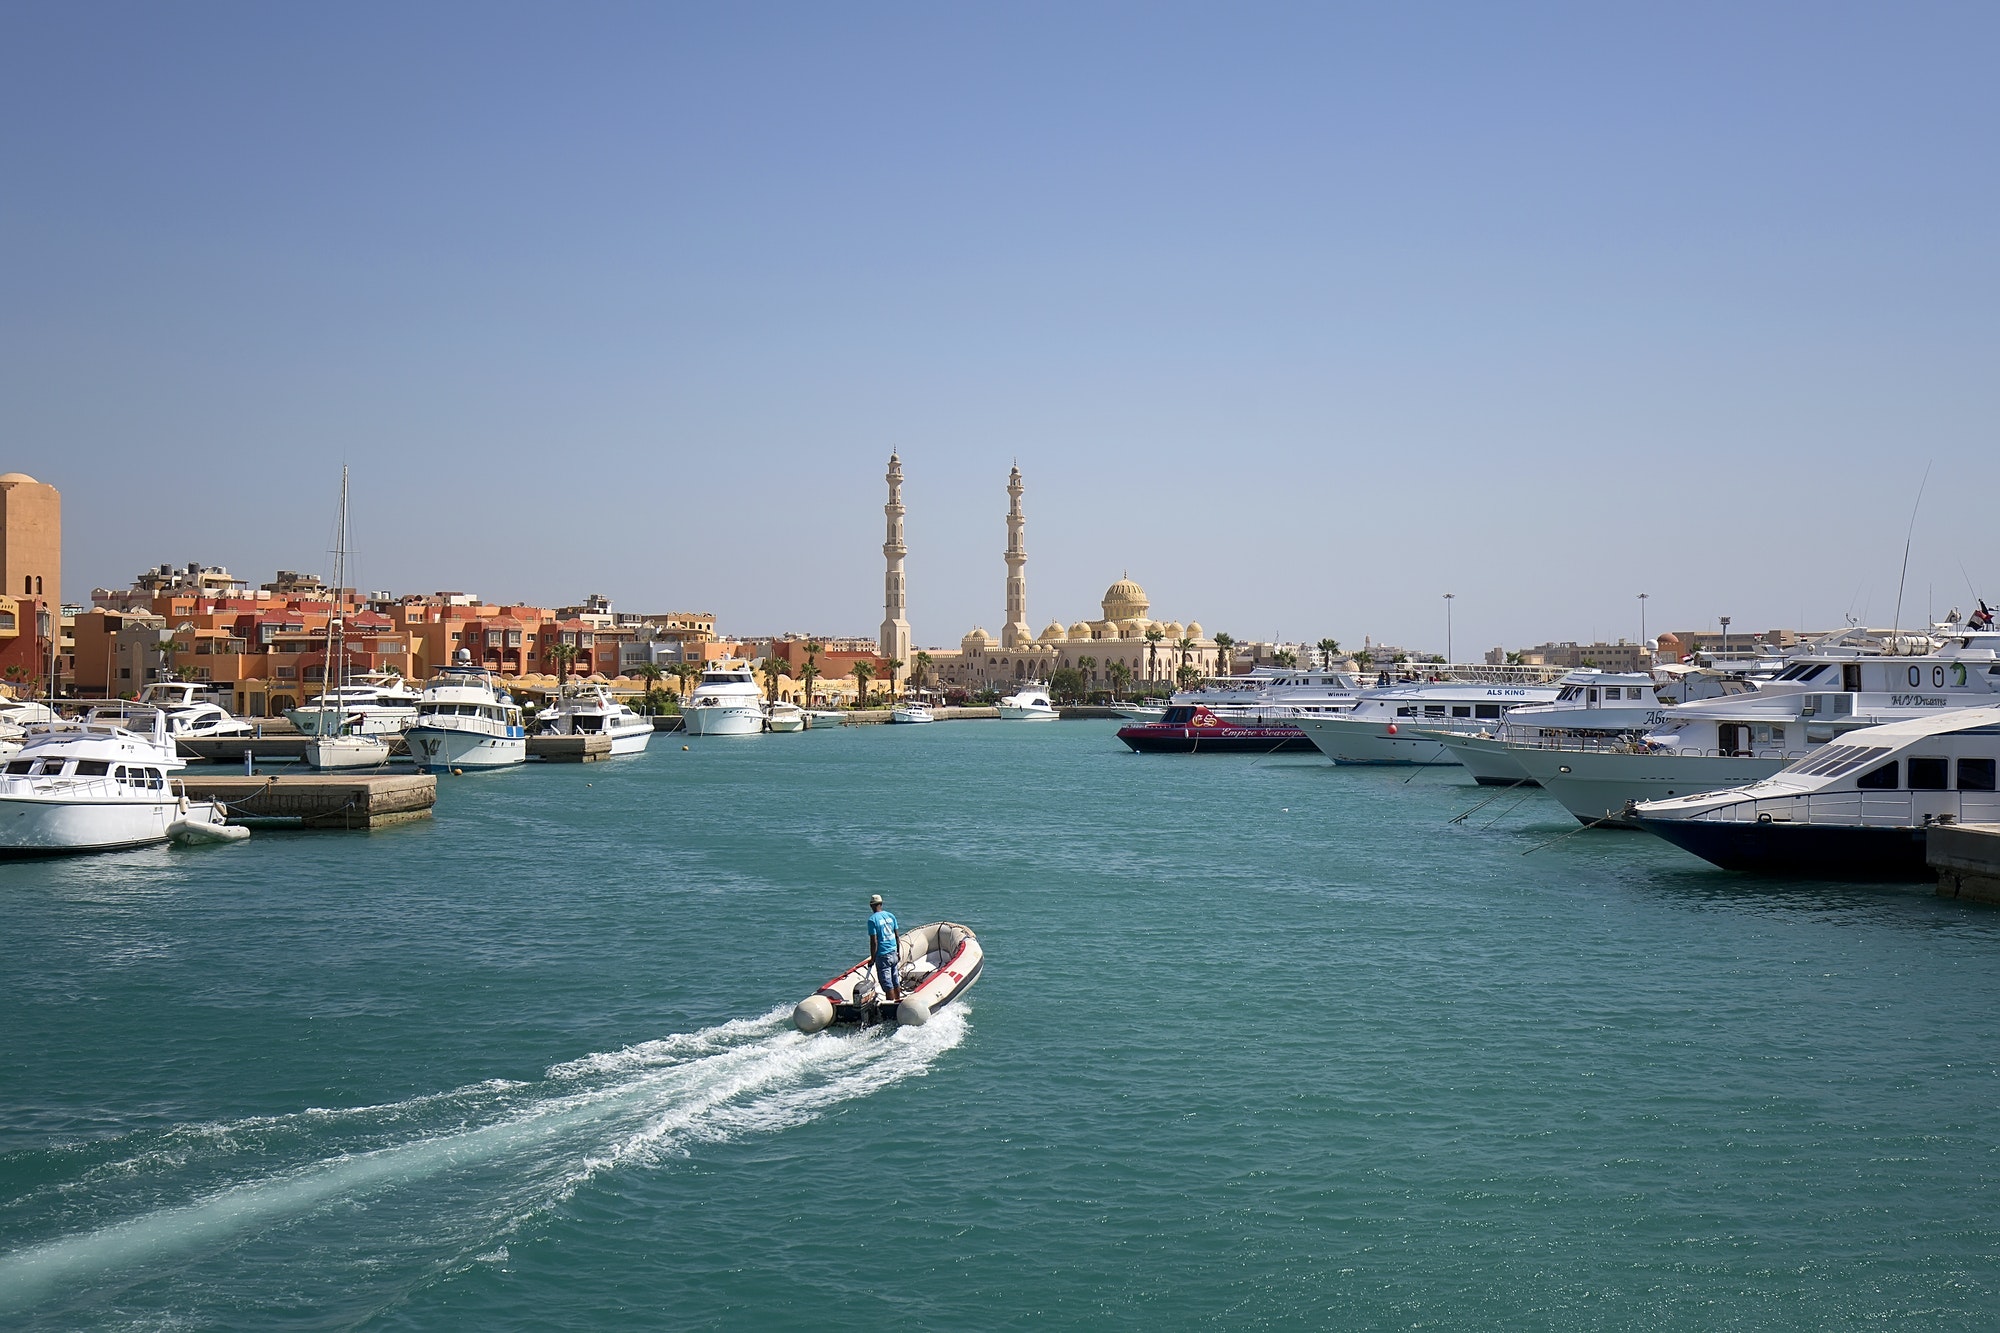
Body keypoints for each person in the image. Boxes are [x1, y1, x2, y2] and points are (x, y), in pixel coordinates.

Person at [866, 893, 901, 1003]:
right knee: (895, 981)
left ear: (871, 905)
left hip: (883, 955)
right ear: (881, 904)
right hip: (893, 952)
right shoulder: (891, 916)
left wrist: (872, 958)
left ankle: (890, 1007)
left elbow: (874, 941)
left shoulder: (872, 920)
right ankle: (898, 1002)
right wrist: (898, 952)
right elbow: (897, 936)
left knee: (887, 984)